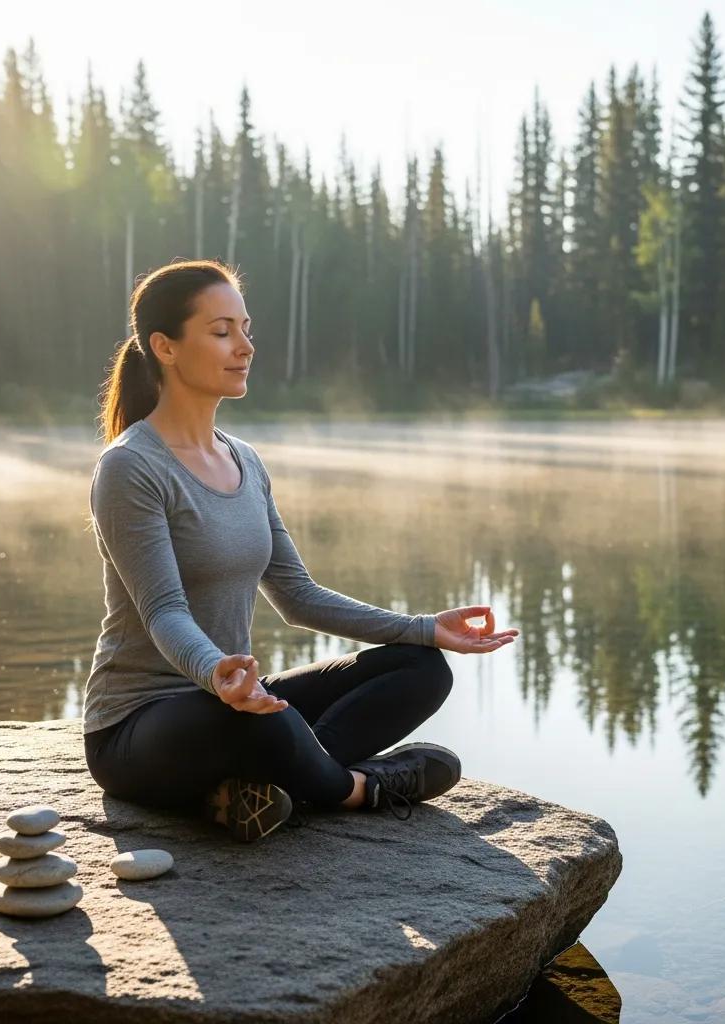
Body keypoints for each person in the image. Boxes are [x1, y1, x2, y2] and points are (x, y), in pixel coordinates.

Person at [83, 258, 520, 843]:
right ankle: (358, 790)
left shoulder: (244, 460)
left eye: (245, 328)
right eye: (221, 332)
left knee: (418, 669)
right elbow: (164, 610)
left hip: (234, 705)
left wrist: (424, 628)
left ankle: (276, 789)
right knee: (261, 723)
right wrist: (216, 672)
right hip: (137, 728)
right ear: (164, 346)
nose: (244, 346)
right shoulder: (131, 467)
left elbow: (297, 595)